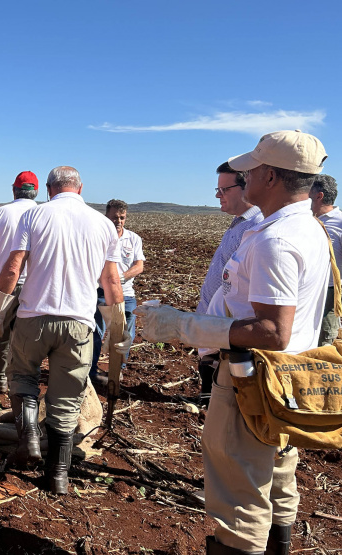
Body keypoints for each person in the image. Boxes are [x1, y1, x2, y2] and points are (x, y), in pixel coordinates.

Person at [136, 130, 329, 555]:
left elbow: (272, 331)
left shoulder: (275, 240)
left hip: (252, 381)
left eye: (252, 169)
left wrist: (184, 327)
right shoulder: (307, 229)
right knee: (278, 476)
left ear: (272, 177)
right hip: (288, 382)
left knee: (240, 494)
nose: (245, 176)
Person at [0, 166, 129, 493]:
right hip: (80, 324)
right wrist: (117, 330)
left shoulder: (35, 217)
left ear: (50, 190)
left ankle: (30, 440)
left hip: (34, 316)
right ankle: (58, 476)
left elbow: (12, 268)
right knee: (67, 399)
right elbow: (111, 281)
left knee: (23, 376)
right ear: (80, 190)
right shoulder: (103, 225)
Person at [194, 163, 264, 405]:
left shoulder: (257, 227)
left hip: (228, 332)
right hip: (216, 328)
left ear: (247, 187)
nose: (217, 195)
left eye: (224, 190)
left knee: (227, 404)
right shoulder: (240, 223)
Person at [0, 171, 40, 394]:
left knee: (0, 334)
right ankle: (22, 382)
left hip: (3, 285)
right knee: (27, 337)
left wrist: (2, 266)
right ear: (36, 192)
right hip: (36, 286)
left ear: (14, 190)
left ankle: (1, 381)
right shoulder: (43, 214)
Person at [89, 199, 145, 389]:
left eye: (122, 218)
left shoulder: (133, 239)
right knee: (96, 330)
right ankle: (92, 370)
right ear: (107, 216)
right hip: (101, 292)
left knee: (125, 334)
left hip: (126, 295)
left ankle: (118, 368)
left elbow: (139, 266)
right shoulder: (99, 237)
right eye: (114, 217)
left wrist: (120, 277)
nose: (118, 221)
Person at [309, 174, 342, 346]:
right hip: (305, 291)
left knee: (324, 343)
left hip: (328, 294)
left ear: (318, 196)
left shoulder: (340, 223)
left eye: (307, 191)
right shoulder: (306, 221)